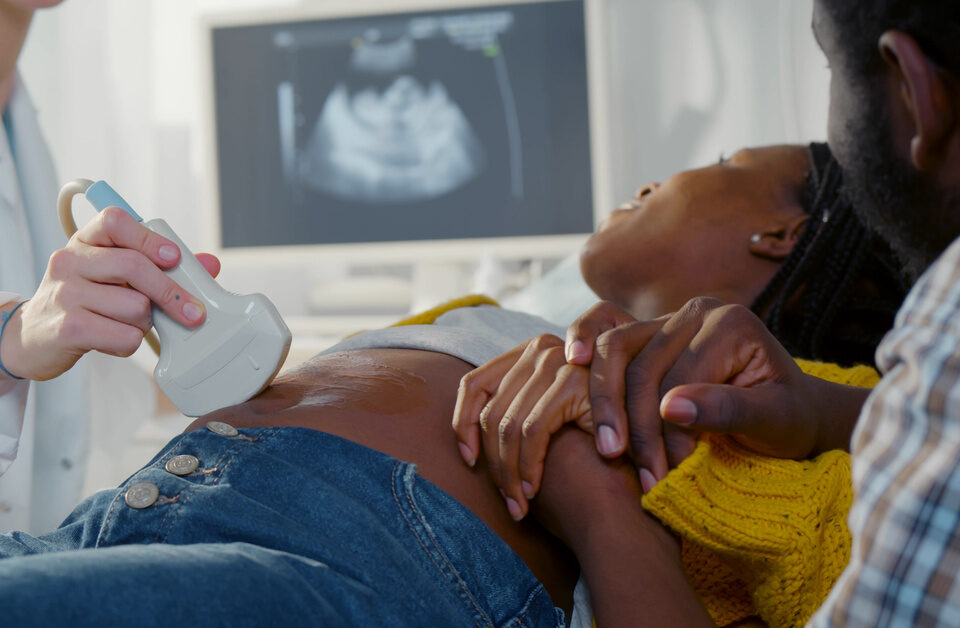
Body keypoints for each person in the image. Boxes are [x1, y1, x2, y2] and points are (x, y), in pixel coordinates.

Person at [0, 141, 907, 624]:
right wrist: (18, 340)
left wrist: (597, 502)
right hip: (113, 523)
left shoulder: (794, 435)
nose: (655, 177)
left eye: (725, 162)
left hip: (327, 580)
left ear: (780, 236)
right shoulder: (510, 318)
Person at [545, 0, 960, 624]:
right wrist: (823, 410)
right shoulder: (875, 395)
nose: (654, 183)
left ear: (910, 87)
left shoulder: (943, 330)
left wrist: (600, 499)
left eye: (828, 67)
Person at [0, 0, 218, 532]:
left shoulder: (20, 121)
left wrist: (218, 373)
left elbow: (74, 381)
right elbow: (31, 339)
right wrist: (11, 339)